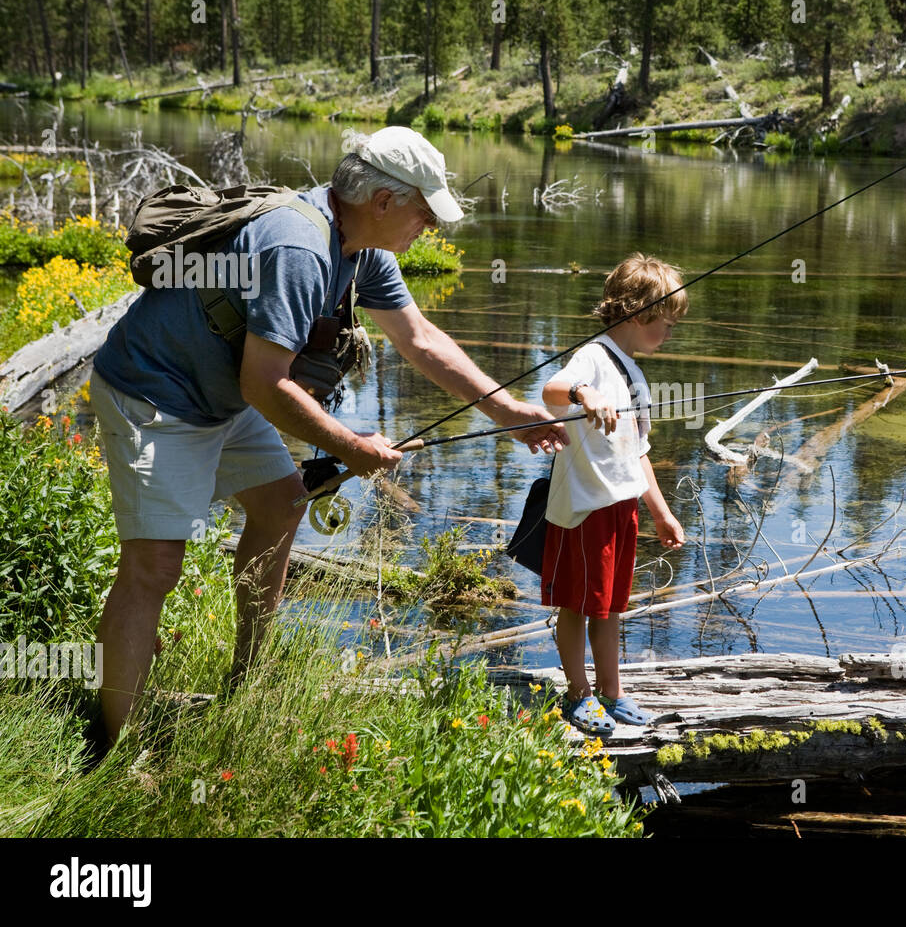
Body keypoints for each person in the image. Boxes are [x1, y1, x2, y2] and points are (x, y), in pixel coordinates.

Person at [88, 126, 567, 747]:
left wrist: (509, 412)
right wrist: (349, 445)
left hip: (223, 396)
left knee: (282, 505)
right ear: (385, 201)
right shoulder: (299, 247)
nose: (431, 226)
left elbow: (419, 339)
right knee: (153, 567)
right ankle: (115, 747)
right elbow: (266, 384)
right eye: (425, 212)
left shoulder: (363, 248)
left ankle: (248, 681)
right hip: (155, 394)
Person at [539, 253, 686, 735]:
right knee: (578, 605)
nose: (669, 334)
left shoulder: (635, 374)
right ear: (639, 314)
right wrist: (584, 394)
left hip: (622, 507)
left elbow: (637, 453)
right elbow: (551, 390)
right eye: (665, 324)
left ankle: (611, 691)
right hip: (585, 507)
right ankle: (577, 695)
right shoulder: (595, 357)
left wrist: (661, 514)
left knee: (610, 605)